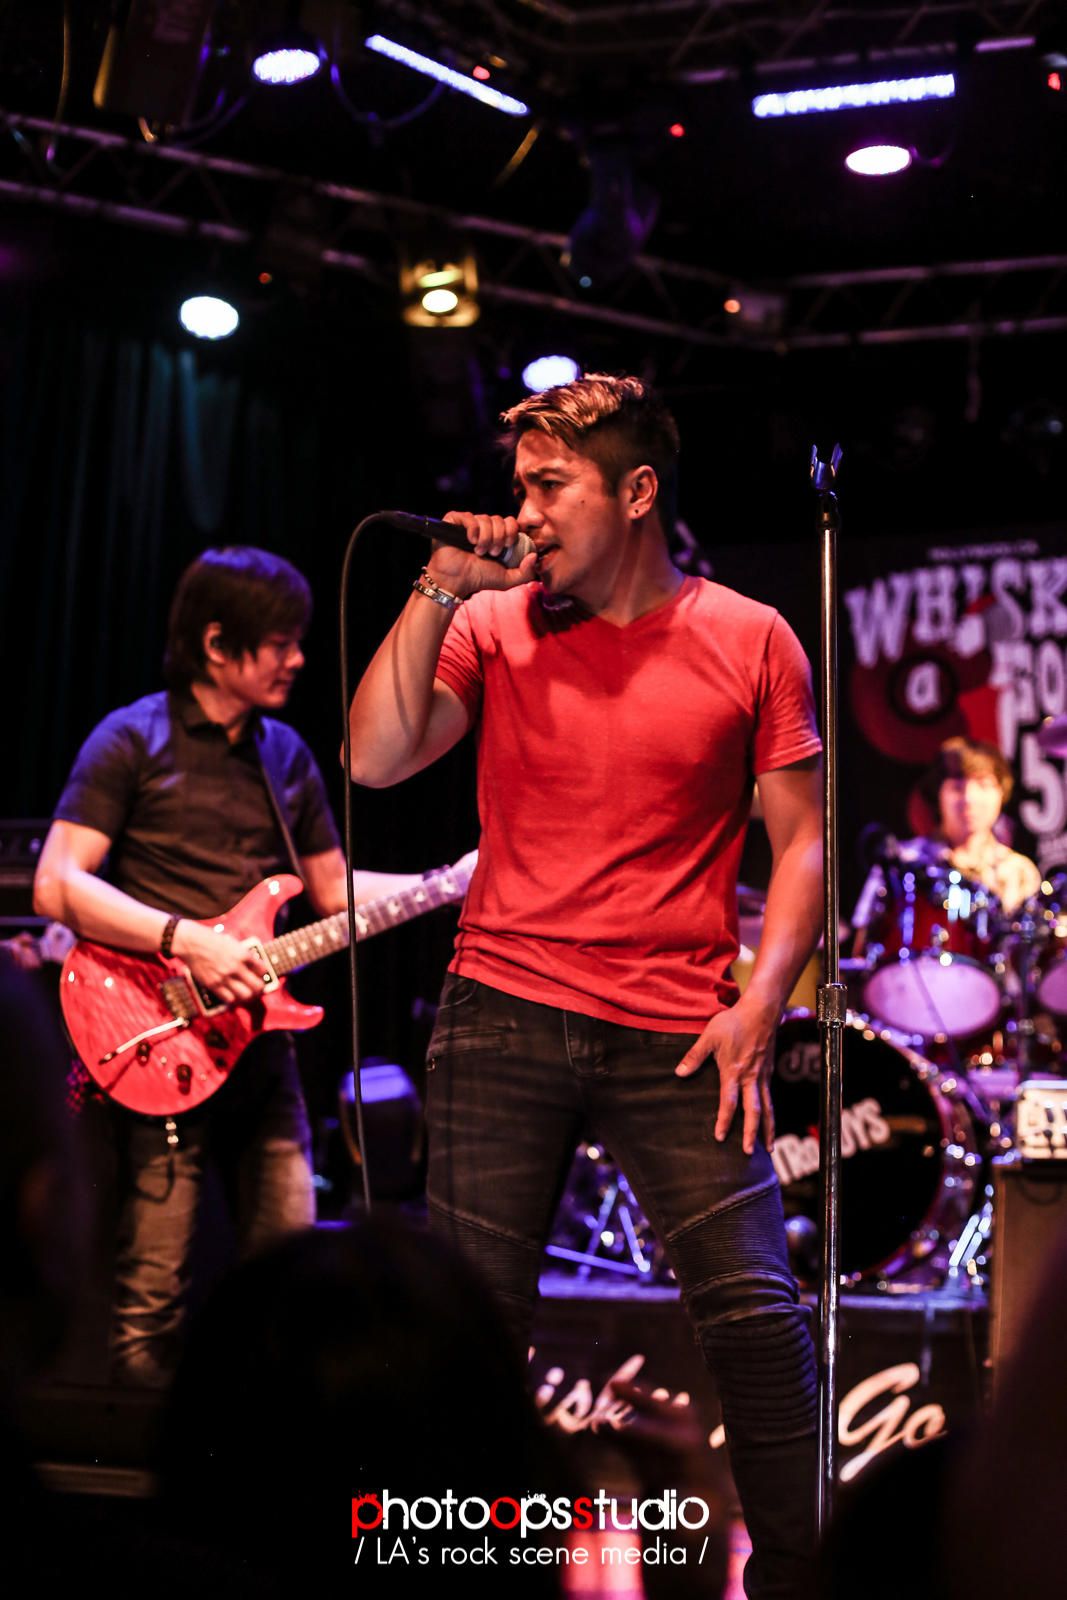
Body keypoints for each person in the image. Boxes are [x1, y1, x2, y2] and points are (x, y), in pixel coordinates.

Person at [347, 374, 824, 1599]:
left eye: (549, 486)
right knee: (468, 1335)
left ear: (636, 491)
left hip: (678, 1030)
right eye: (519, 486)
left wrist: (761, 1000)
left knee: (758, 1318)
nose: (525, 512)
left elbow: (801, 841)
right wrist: (441, 583)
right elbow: (376, 755)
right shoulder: (492, 622)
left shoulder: (751, 635)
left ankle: (802, 1580)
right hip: (500, 1014)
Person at [33, 546, 453, 1388]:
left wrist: (449, 883)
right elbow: (57, 882)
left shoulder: (285, 754)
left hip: (261, 1050)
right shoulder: (130, 738)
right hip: (160, 1040)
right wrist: (187, 940)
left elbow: (332, 891)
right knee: (152, 1294)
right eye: (280, 643)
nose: (298, 658)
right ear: (218, 645)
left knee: (291, 1274)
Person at [852, 735, 1041, 936]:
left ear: (1002, 793)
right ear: (939, 793)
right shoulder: (901, 862)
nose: (969, 798)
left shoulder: (1020, 872)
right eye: (957, 787)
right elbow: (865, 944)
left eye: (983, 785)